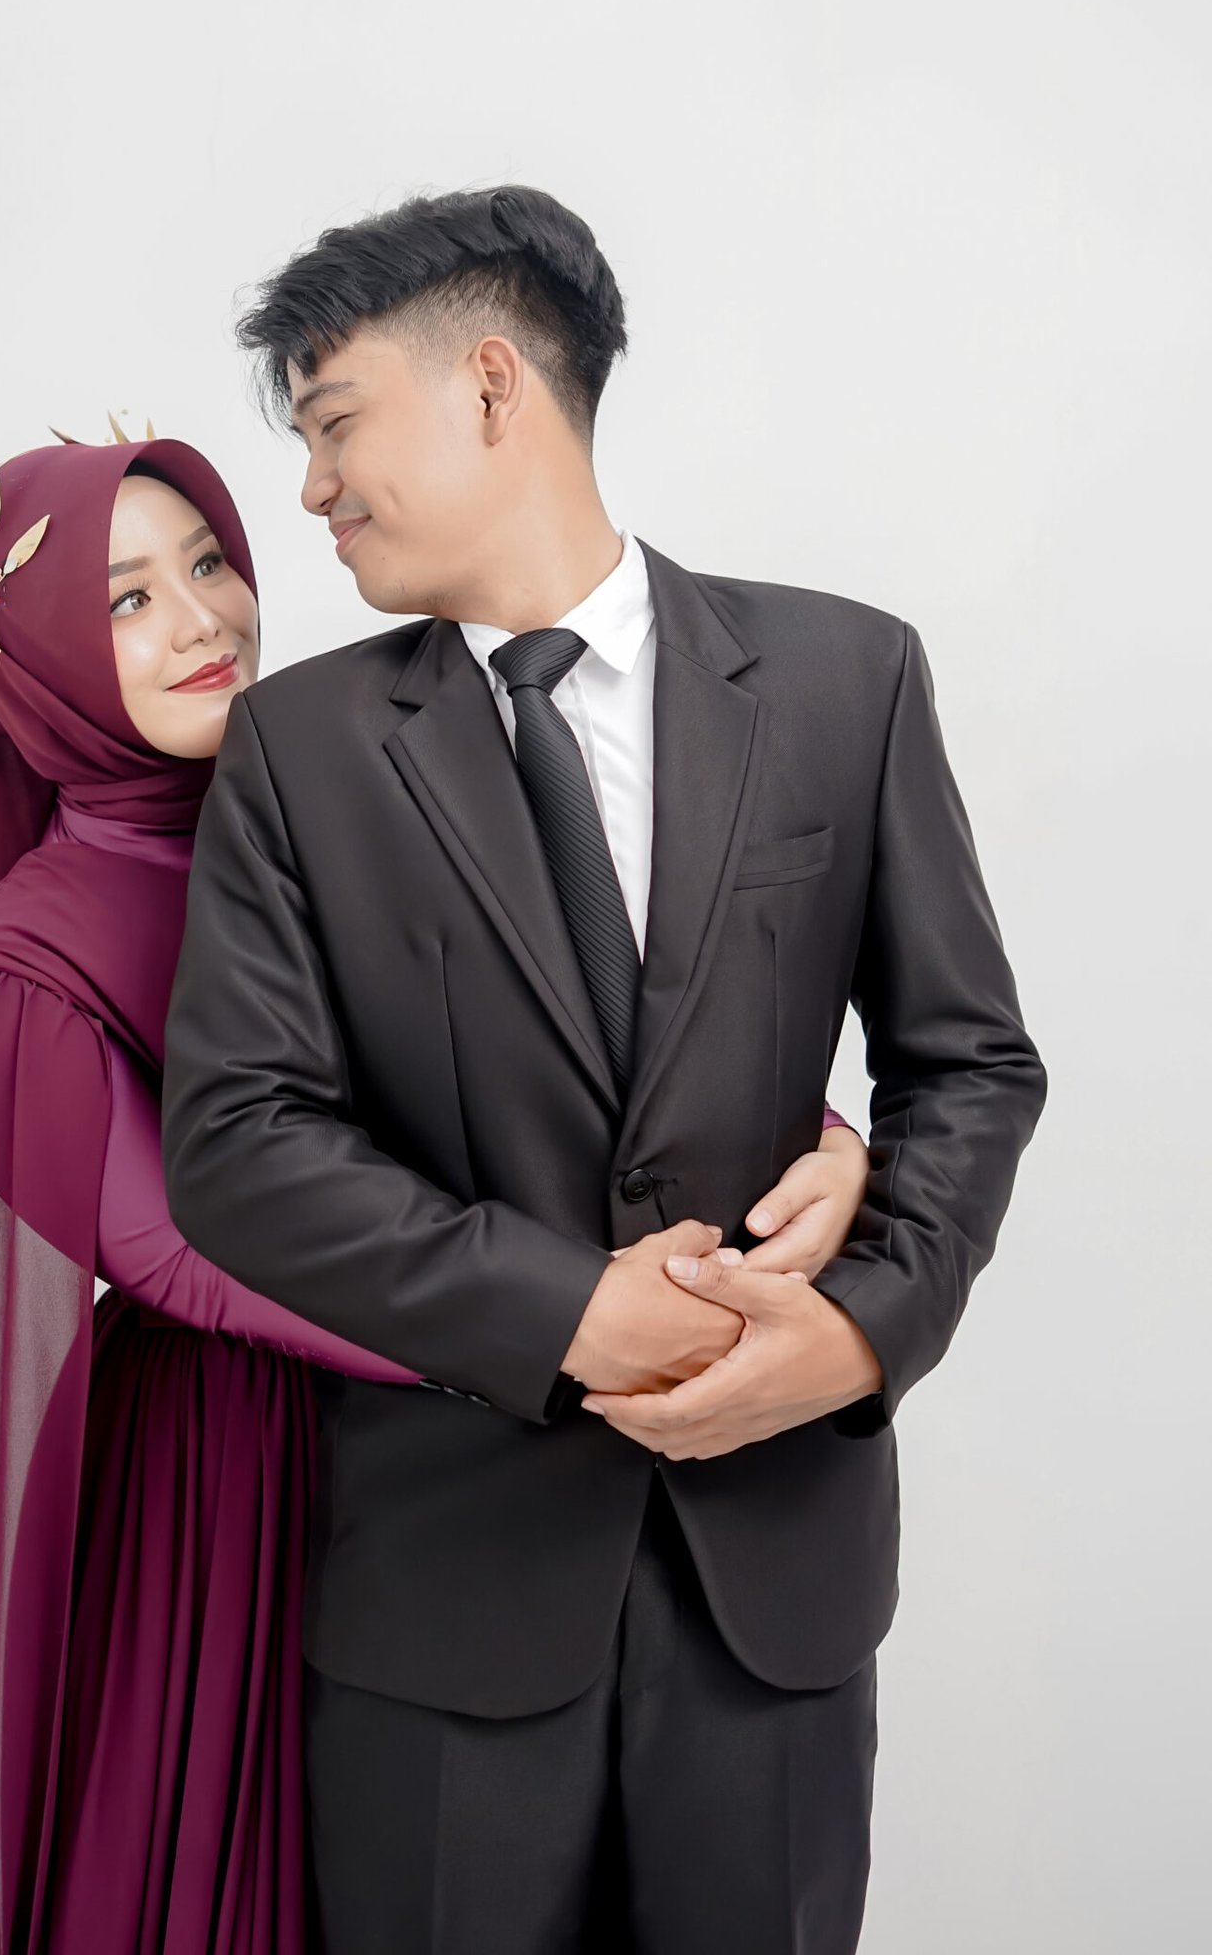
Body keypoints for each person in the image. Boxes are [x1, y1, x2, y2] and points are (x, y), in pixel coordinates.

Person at [160, 187, 1049, 1954]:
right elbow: (241, 1142)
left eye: (334, 424)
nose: (311, 489)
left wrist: (864, 1331)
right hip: (445, 1597)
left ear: (492, 384)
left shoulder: (844, 676)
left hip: (777, 1581)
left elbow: (969, 1064)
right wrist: (567, 1312)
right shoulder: (300, 749)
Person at [0, 427, 870, 1953]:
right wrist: (565, 1330)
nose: (202, 618)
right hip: (239, 1477)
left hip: (477, 1466)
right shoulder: (17, 969)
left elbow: (598, 1030)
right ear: (34, 663)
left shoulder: (349, 795)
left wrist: (828, 1141)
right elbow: (189, 1250)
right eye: (125, 598)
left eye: (208, 562)